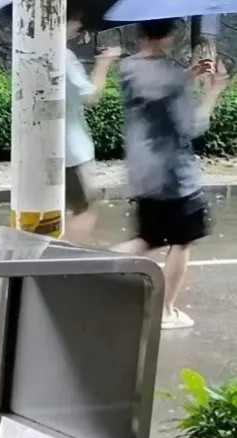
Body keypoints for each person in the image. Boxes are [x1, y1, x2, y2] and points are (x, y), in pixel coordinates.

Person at [111, 18, 229, 330]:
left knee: (147, 239)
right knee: (182, 241)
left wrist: (187, 76)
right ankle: (166, 310)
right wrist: (214, 92)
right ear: (169, 37)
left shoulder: (130, 68)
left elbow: (155, 95)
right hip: (175, 177)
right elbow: (190, 127)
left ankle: (97, 269)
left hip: (142, 170)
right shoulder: (172, 75)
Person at [63, 8, 121, 244]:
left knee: (55, 211)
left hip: (48, 150)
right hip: (72, 151)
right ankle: (59, 261)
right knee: (85, 211)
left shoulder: (31, 52)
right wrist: (104, 64)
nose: (79, 26)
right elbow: (90, 97)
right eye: (75, 19)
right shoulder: (63, 56)